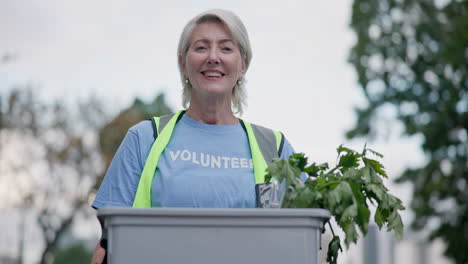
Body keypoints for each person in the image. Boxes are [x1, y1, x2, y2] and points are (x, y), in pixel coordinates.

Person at [91, 9, 302, 263]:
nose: (213, 57)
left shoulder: (275, 148)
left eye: (226, 49)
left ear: (243, 64)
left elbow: (309, 239)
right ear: (183, 63)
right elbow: (108, 244)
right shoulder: (144, 139)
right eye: (201, 48)